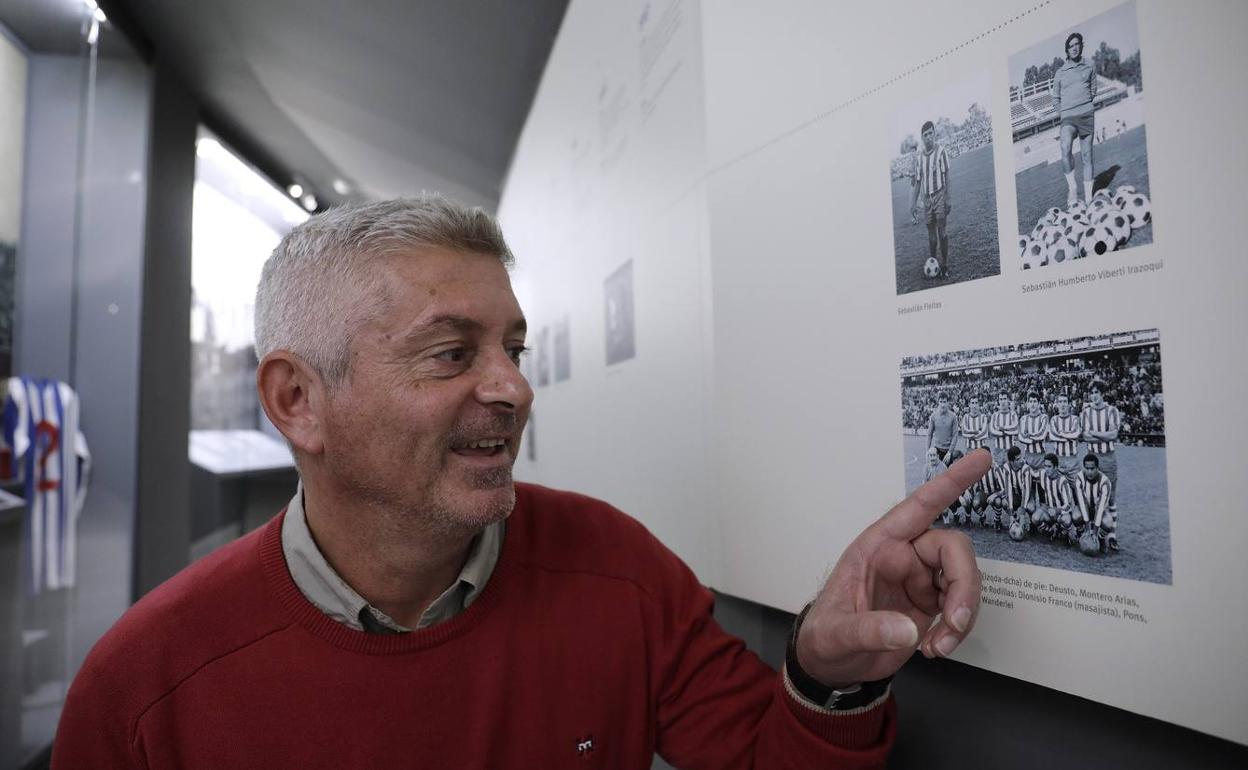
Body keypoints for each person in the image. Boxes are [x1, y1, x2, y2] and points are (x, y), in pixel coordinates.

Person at [51, 198, 991, 769]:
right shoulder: (145, 688)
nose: (511, 388)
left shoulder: (616, 569)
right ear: (299, 400)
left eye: (513, 349)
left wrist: (826, 678)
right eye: (452, 353)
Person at [1053, 31, 1098, 206]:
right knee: (1065, 147)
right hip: (1068, 117)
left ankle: (1089, 200)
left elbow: (1093, 89)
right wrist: (1063, 113)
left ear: (1081, 45)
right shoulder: (1060, 72)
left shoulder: (1090, 65)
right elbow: (1055, 98)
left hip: (1086, 114)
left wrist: (1086, 104)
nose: (1074, 48)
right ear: (1067, 50)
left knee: (1087, 156)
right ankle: (1072, 188)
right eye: (1071, 46)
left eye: (1077, 44)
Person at [909, 120, 952, 278]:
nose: (928, 137)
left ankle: (945, 264)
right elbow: (918, 182)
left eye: (930, 133)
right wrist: (913, 204)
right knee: (931, 235)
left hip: (940, 195)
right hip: (926, 200)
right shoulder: (920, 158)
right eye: (925, 135)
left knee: (942, 232)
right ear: (922, 137)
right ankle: (933, 261)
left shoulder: (941, 151)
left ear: (934, 134)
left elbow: (947, 174)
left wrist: (948, 197)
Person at [1080, 380, 1121, 511]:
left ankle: (1110, 529)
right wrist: (1105, 436)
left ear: (1102, 393)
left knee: (1110, 496)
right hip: (1092, 458)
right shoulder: (1086, 412)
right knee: (1091, 495)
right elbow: (1086, 437)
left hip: (1109, 458)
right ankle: (1093, 528)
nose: (1094, 396)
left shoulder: (1112, 411)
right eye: (1091, 393)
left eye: (1096, 392)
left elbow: (1114, 435)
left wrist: (1093, 433)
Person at [1074, 453, 1117, 552]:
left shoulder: (1105, 482)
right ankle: (1081, 535)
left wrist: (1095, 531)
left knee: (1108, 522)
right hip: (1085, 508)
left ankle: (1100, 540)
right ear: (1084, 467)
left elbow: (1101, 508)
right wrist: (1088, 528)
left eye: (1092, 468)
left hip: (1098, 510)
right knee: (1075, 516)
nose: (1089, 472)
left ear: (1097, 468)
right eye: (1087, 468)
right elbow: (1082, 503)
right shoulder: (1079, 478)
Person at [1048, 393, 1082, 478]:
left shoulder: (1075, 419)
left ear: (1069, 404)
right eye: (1060, 401)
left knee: (1077, 489)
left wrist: (1061, 433)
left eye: (1065, 401)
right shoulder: (1054, 419)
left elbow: (1076, 434)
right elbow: (1052, 436)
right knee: (1058, 489)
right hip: (1058, 460)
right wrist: (1069, 437)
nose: (1062, 404)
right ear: (1057, 404)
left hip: (1072, 460)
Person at [1017, 392, 1049, 471]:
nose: (1032, 404)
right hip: (1028, 455)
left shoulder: (1044, 418)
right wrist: (1034, 438)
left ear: (1038, 404)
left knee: (1042, 480)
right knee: (1028, 481)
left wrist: (1029, 435)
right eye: (1030, 401)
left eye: (1035, 401)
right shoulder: (1024, 419)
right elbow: (1021, 437)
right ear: (1028, 404)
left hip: (1041, 456)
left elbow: (1041, 436)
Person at [988, 392, 1019, 465]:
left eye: (1004, 399)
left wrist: (1001, 428)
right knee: (999, 473)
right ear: (998, 401)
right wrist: (1006, 431)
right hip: (998, 450)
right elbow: (992, 431)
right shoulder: (995, 415)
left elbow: (1015, 429)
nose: (1003, 401)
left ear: (1008, 400)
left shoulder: (1013, 414)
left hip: (1010, 449)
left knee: (1011, 473)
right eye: (1001, 399)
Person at [927, 392, 957, 462]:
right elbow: (929, 434)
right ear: (938, 402)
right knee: (936, 472)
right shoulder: (933, 416)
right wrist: (927, 450)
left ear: (948, 402)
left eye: (944, 402)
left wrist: (950, 452)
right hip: (936, 451)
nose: (943, 405)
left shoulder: (953, 417)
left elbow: (955, 435)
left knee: (948, 472)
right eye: (941, 402)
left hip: (948, 452)